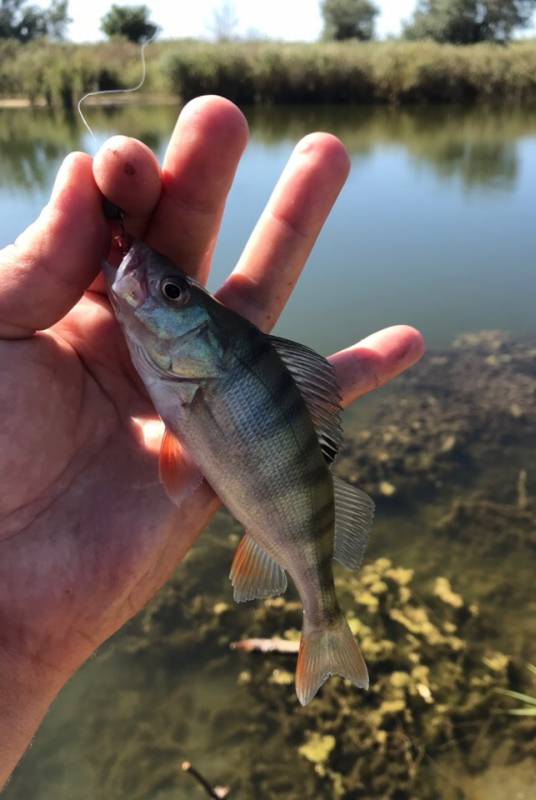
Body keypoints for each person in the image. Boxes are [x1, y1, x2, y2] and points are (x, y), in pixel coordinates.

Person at [0, 96, 424, 787]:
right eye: (176, 291)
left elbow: (187, 453)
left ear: (203, 342)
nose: (155, 288)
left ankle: (323, 621)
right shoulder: (187, 370)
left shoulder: (201, 374)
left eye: (171, 293)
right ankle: (323, 623)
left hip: (264, 493)